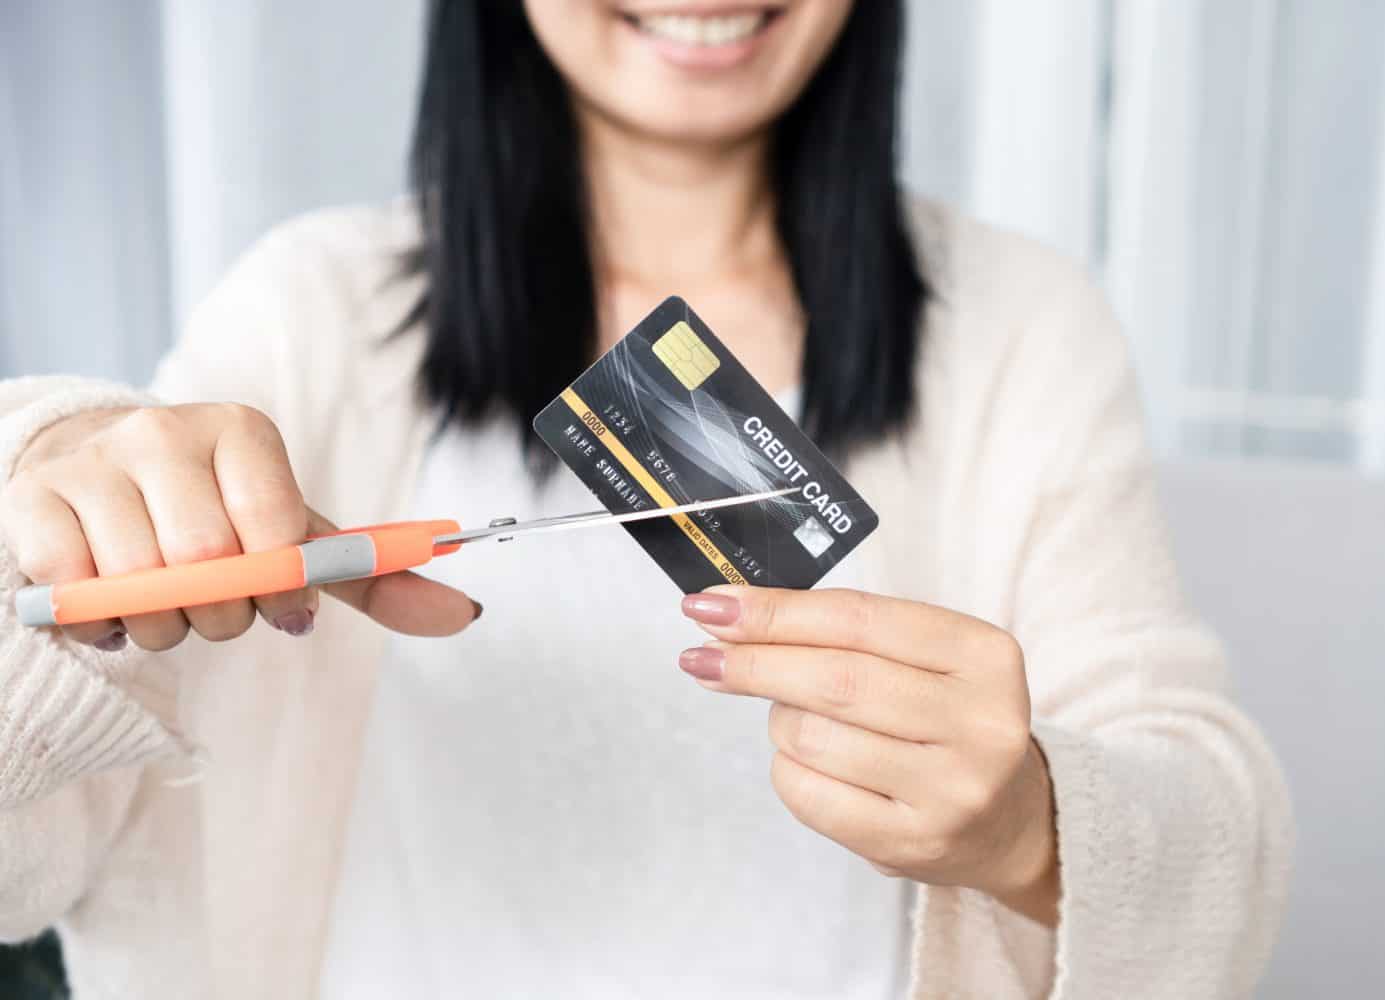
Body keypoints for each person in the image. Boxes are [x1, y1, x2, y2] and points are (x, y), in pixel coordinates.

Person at [0, 1, 1292, 996]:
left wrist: (1035, 826)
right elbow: (28, 853)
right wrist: (37, 477)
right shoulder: (307, 308)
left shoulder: (1021, 327)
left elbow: (1216, 824)